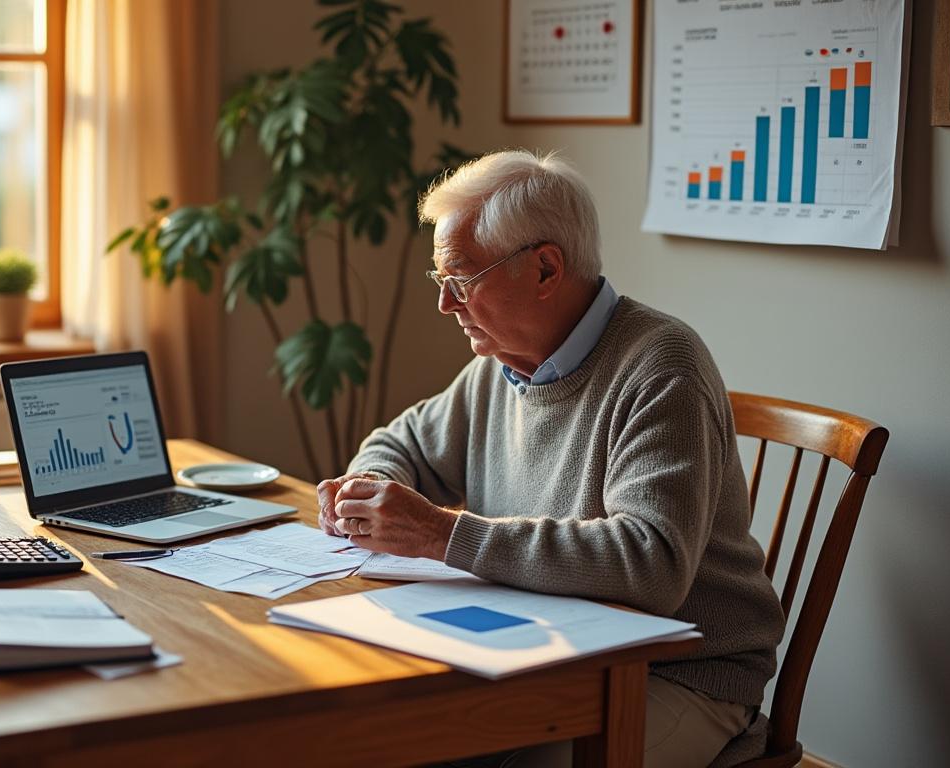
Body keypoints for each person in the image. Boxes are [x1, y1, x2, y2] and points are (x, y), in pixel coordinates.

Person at [317, 150, 785, 767]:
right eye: (440, 284)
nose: (446, 306)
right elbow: (397, 444)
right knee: (385, 738)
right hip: (545, 649)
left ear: (544, 268)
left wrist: (441, 533)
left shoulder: (662, 366)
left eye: (460, 280)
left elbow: (649, 565)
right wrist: (369, 491)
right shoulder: (500, 366)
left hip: (677, 673)